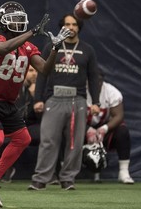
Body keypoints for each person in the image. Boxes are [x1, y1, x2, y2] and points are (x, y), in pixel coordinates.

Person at [0, 1, 71, 207]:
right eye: (13, 19)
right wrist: (33, 32)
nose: (17, 23)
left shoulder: (28, 46)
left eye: (20, 19)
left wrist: (54, 49)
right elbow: (3, 48)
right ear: (3, 21)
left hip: (6, 100)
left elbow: (44, 69)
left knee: (22, 139)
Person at [29, 13, 101, 191]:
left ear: (79, 27)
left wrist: (96, 102)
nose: (71, 27)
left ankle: (68, 179)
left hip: (78, 100)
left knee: (74, 143)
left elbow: (93, 78)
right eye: (67, 24)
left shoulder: (88, 50)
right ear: (62, 27)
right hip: (54, 99)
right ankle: (41, 178)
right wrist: (38, 99)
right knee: (48, 141)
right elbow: (42, 74)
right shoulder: (51, 47)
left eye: (74, 24)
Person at [85, 70, 134, 184]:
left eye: (98, 81)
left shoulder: (112, 92)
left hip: (104, 131)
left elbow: (118, 115)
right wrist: (87, 129)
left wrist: (104, 129)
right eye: (92, 81)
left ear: (103, 81)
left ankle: (123, 171)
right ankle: (65, 173)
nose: (95, 84)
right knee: (66, 130)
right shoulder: (80, 91)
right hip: (84, 130)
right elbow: (73, 116)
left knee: (122, 131)